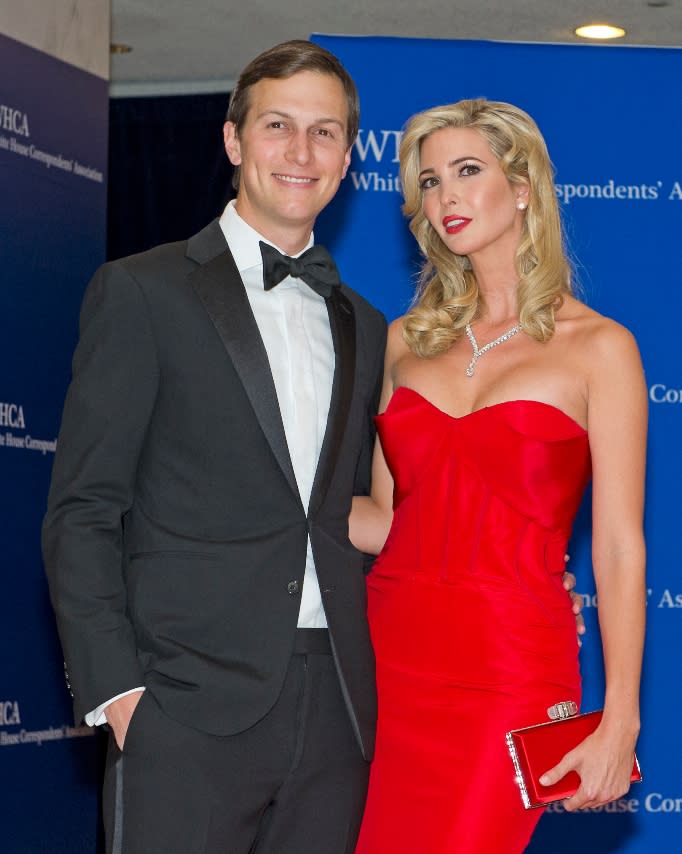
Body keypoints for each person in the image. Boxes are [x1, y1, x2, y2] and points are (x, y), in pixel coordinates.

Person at [42, 40, 388, 854]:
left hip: (334, 709)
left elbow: (349, 512)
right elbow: (84, 509)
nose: (301, 152)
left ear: (348, 157)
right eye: (278, 126)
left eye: (325, 132)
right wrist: (119, 692)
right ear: (234, 142)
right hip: (180, 706)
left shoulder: (364, 324)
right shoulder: (141, 291)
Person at [350, 99, 646, 853]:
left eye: (467, 171)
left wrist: (622, 718)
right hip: (385, 661)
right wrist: (251, 491)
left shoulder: (600, 349)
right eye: (429, 181)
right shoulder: (403, 343)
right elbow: (386, 521)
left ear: (522, 189)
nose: (444, 196)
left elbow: (616, 547)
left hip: (509, 667)